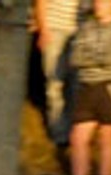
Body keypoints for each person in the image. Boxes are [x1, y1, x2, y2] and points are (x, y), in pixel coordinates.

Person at [68, 0, 111, 175]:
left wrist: (90, 55)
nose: (97, 5)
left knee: (107, 136)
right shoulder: (86, 26)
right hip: (87, 86)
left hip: (110, 85)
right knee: (78, 137)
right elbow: (75, 58)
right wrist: (94, 57)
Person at [36, 0, 83, 144]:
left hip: (79, 32)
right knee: (54, 83)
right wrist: (43, 29)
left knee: (77, 84)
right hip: (54, 29)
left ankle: (76, 132)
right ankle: (60, 133)